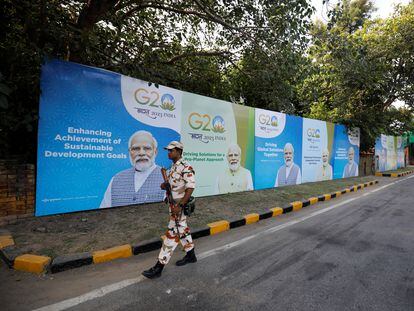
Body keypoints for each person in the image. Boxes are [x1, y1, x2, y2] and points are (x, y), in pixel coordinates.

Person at [142, 141, 196, 279]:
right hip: (173, 206)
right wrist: (165, 185)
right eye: (168, 150)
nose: (169, 153)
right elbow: (173, 186)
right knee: (182, 229)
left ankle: (159, 267)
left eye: (171, 150)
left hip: (180, 207)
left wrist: (180, 205)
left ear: (178, 151)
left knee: (172, 235)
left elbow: (190, 188)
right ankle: (191, 255)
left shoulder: (186, 167)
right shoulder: (172, 168)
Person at [100, 130, 164, 208]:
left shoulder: (167, 177)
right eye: (136, 148)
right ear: (129, 152)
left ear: (155, 152)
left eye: (147, 148)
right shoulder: (116, 179)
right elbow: (104, 211)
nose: (141, 153)